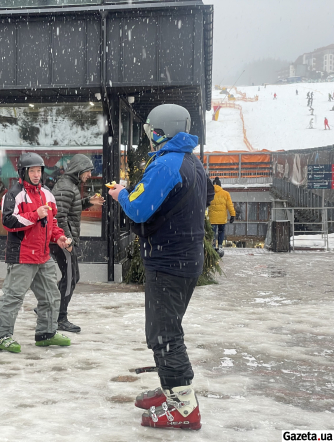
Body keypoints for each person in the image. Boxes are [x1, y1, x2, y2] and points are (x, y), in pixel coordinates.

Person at [108, 104, 214, 430]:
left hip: (168, 262)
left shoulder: (167, 165)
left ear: (160, 132)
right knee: (166, 330)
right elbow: (207, 195)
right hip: (185, 258)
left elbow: (139, 210)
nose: (149, 137)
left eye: (150, 130)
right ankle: (172, 391)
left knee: (164, 335)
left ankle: (183, 407)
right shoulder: (191, 162)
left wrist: (122, 194)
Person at [0, 153, 72, 353]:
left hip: (43, 256)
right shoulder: (13, 194)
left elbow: (51, 223)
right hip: (22, 256)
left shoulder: (47, 194)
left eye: (39, 171)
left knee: (51, 296)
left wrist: (58, 237)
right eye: (32, 171)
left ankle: (46, 334)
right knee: (13, 297)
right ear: (23, 172)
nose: (36, 175)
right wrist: (35, 215)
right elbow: (8, 222)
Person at [49, 154, 105, 333]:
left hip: (62, 240)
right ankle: (60, 318)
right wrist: (67, 240)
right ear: (79, 169)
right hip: (62, 241)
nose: (89, 174)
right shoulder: (66, 186)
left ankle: (50, 306)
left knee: (70, 276)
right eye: (88, 171)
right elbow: (59, 216)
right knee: (72, 277)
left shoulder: (69, 185)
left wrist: (89, 201)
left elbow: (70, 208)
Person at [208, 177, 235, 254]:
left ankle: (213, 246)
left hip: (212, 218)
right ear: (220, 185)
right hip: (222, 218)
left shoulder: (210, 193)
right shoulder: (225, 193)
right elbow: (230, 205)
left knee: (212, 233)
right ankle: (220, 247)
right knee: (221, 231)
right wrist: (232, 215)